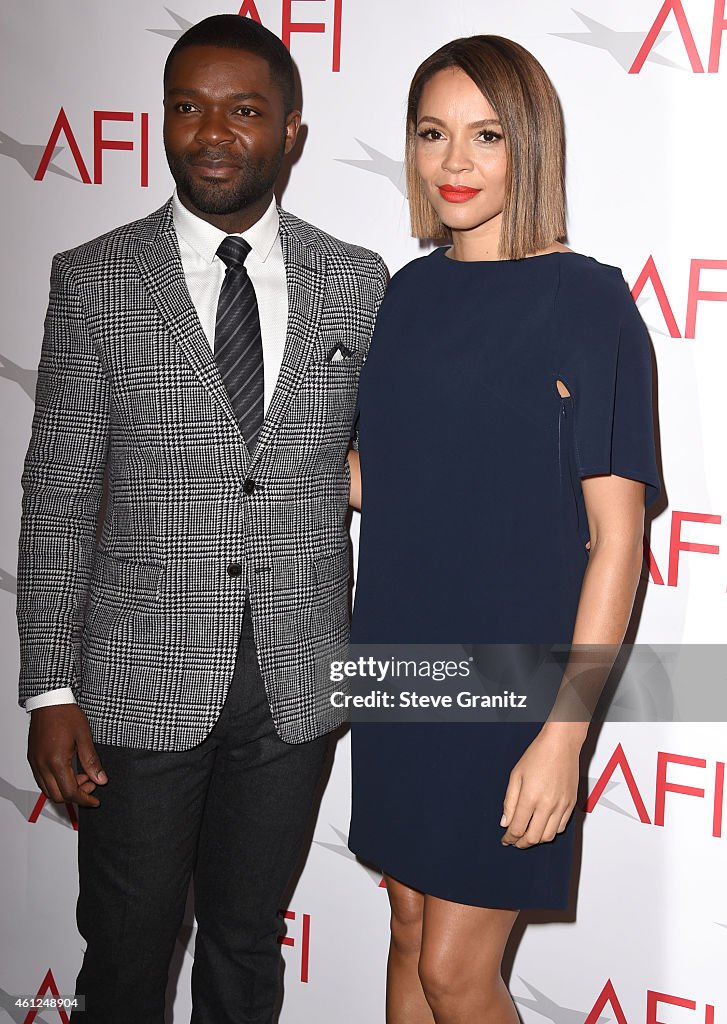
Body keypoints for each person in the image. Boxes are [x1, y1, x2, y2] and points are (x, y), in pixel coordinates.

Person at [17, 14, 386, 1024]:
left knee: (243, 943)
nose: (209, 132)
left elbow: (386, 459)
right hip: (136, 680)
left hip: (295, 683)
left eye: (242, 109)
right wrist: (51, 684)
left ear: (291, 132)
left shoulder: (357, 282)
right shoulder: (94, 279)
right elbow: (55, 495)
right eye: (186, 106)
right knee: (127, 955)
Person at [347, 35, 660, 1024]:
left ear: (529, 145)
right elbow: (388, 482)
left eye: (485, 135)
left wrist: (562, 736)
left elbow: (617, 541)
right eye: (433, 134)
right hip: (396, 659)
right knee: (403, 933)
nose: (454, 162)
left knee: (454, 969)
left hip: (509, 685)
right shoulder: (407, 293)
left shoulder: (588, 302)